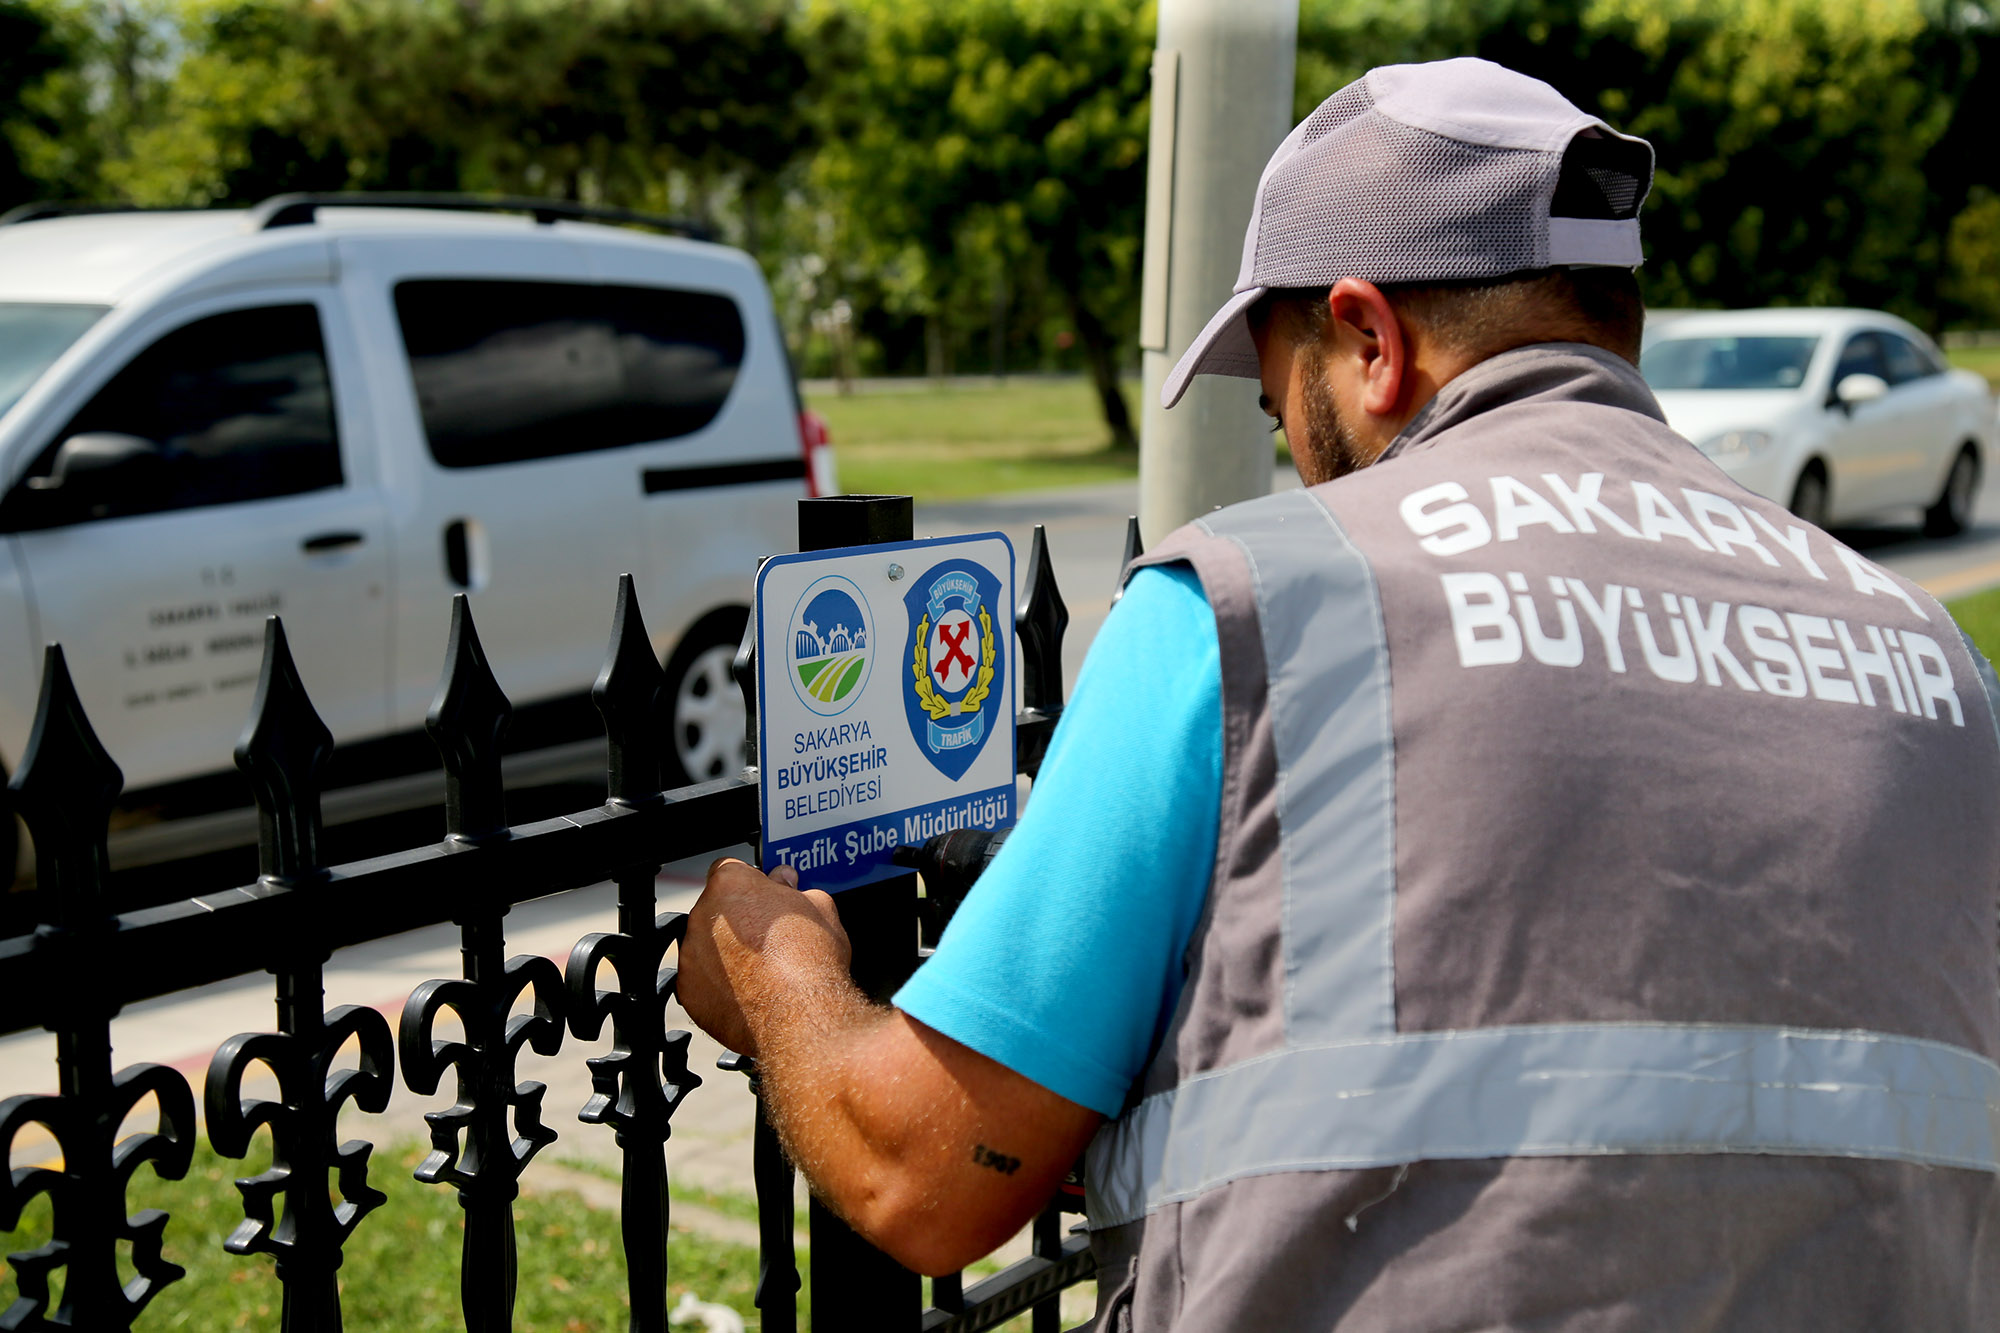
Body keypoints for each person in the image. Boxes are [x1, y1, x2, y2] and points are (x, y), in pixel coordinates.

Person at [677, 56, 2000, 1329]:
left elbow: (916, 1166)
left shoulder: (1257, 604)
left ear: (1369, 340)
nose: (1298, 463)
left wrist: (773, 963)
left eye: (1277, 409)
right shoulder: (1928, 654)